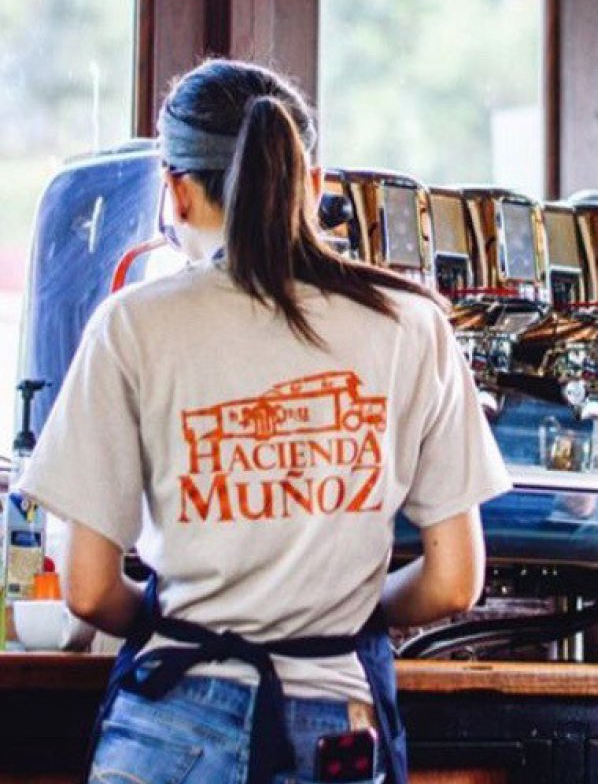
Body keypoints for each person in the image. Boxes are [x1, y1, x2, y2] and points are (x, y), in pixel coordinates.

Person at [17, 58, 511, 784]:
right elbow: (454, 581)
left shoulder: (133, 326)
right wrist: (337, 611)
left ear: (175, 193)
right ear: (313, 186)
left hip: (170, 722)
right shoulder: (410, 324)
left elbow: (88, 591)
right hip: (336, 732)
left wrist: (179, 617)